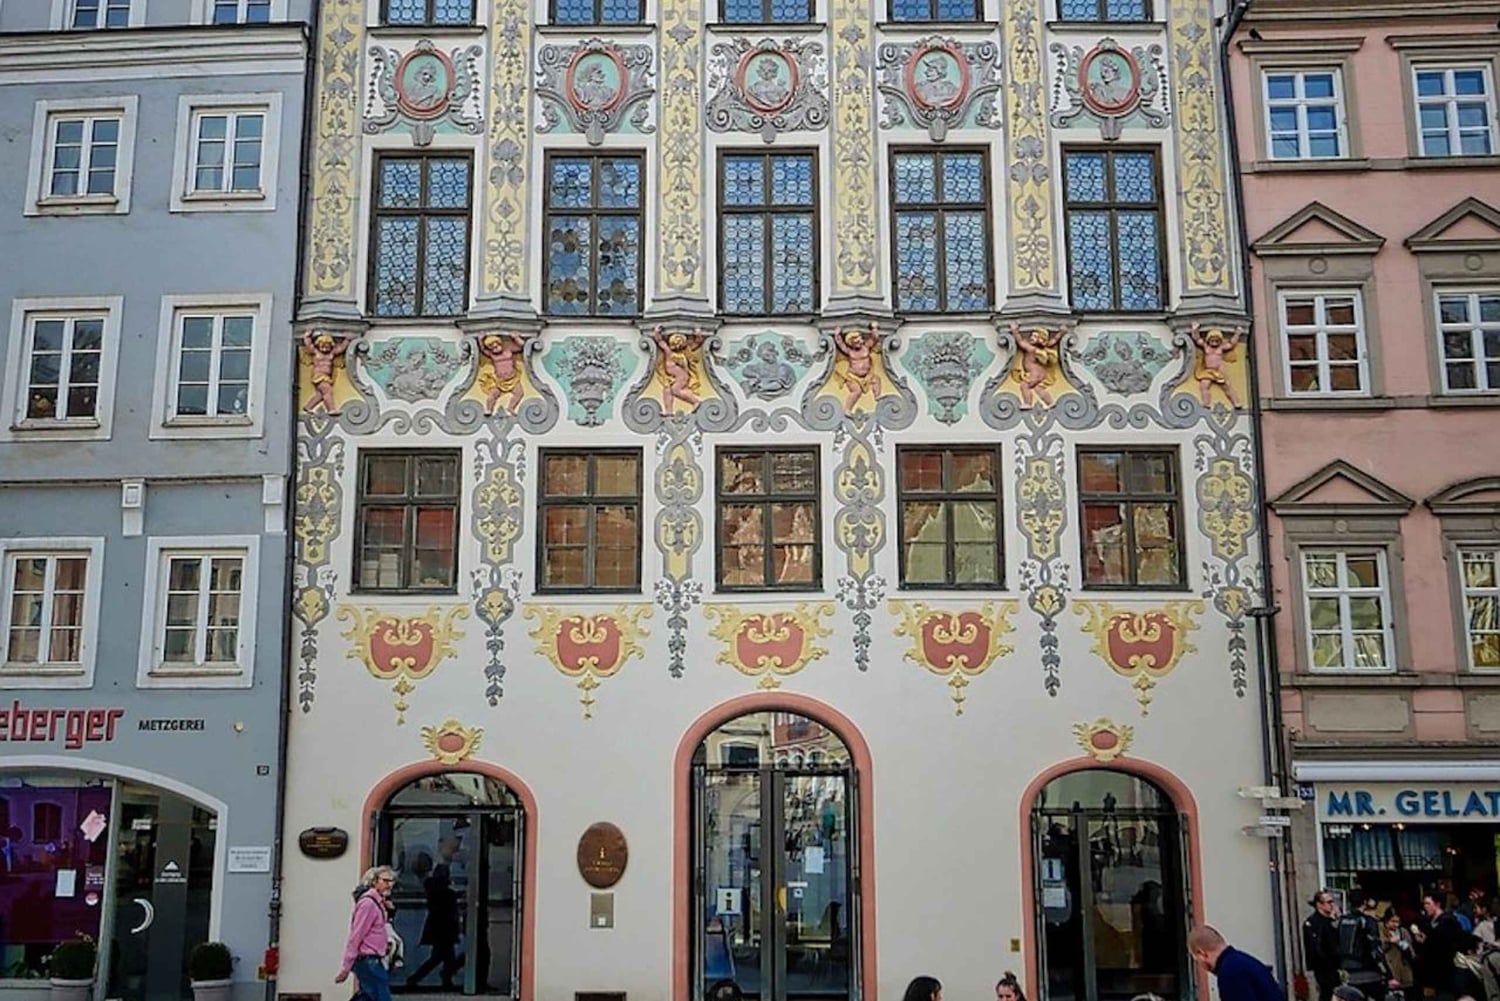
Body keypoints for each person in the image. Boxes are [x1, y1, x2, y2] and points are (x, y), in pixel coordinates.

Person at [337, 866, 395, 1001]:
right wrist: (346, 966)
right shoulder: (368, 904)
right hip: (368, 960)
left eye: (391, 881)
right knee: (381, 996)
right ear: (374, 882)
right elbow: (356, 935)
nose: (389, 885)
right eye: (385, 881)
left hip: (372, 959)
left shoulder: (378, 903)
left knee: (367, 996)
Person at [1189, 925, 1283, 1001]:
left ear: (1202, 953)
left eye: (1197, 960)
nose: (1200, 966)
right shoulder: (1243, 962)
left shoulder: (1229, 973)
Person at [406, 863, 463, 989]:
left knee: (442, 957)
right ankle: (420, 978)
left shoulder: (433, 889)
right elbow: (446, 908)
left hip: (439, 928)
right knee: (442, 957)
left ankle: (443, 978)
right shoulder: (442, 892)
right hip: (444, 928)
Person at [1339, 893, 1399, 1001]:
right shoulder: (1367, 921)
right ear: (1365, 903)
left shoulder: (1341, 921)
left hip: (1350, 973)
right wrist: (1388, 975)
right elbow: (1376, 950)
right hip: (1370, 973)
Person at [1414, 894, 1465, 1001]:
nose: (1425, 906)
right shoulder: (1428, 921)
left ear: (1437, 904)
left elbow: (1446, 944)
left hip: (1444, 972)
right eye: (1424, 904)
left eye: (1428, 903)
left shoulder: (1448, 921)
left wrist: (1427, 941)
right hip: (1429, 972)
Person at [1305, 890, 1343, 1001]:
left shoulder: (1330, 922)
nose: (1332, 905)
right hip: (1323, 968)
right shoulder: (1313, 923)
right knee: (1327, 994)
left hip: (1335, 967)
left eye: (1332, 902)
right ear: (1319, 904)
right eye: (1329, 902)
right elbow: (1316, 947)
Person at [1382, 909, 1417, 991]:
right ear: (1386, 921)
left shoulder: (1403, 932)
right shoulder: (1380, 931)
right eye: (1393, 921)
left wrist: (1400, 942)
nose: (1396, 924)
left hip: (1403, 972)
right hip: (1388, 973)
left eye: (1398, 922)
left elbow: (1411, 953)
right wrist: (1388, 942)